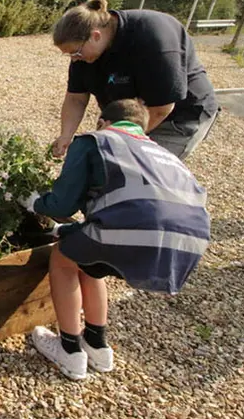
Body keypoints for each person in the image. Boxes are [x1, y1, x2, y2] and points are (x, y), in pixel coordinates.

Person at [18, 99, 210, 380]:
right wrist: (69, 231)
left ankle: (69, 350)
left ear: (102, 122)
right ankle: (98, 345)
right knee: (90, 260)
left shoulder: (97, 140)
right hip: (189, 243)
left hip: (137, 231)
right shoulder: (160, 151)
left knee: (63, 258)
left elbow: (62, 206)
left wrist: (36, 202)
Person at [51, 0, 218, 161]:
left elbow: (161, 108)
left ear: (95, 36)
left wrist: (118, 141)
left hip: (176, 118)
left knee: (142, 175)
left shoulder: (152, 36)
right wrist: (66, 136)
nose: (74, 59)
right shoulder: (83, 54)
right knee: (105, 167)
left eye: (76, 53)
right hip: (126, 116)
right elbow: (76, 99)